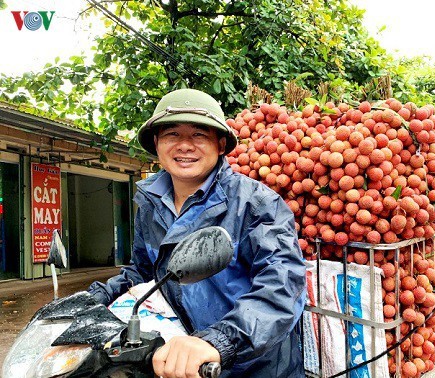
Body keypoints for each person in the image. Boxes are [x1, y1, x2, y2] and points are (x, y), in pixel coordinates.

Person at [88, 88, 306, 378]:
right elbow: (142, 273)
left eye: (199, 136)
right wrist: (92, 298)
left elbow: (282, 285)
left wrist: (221, 341)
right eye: (172, 135)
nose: (185, 146)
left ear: (220, 144)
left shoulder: (257, 204)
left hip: (254, 364)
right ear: (157, 144)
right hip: (182, 361)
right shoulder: (151, 204)